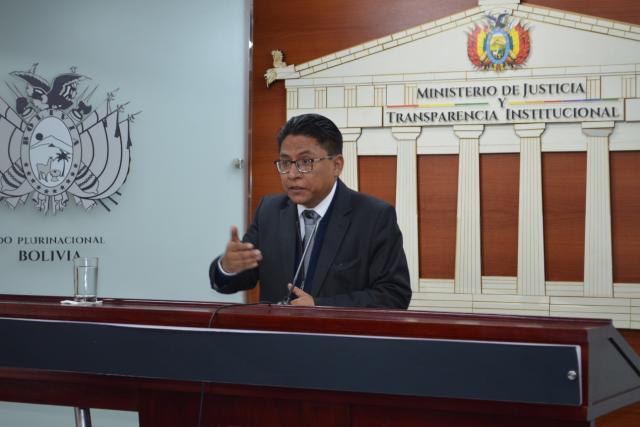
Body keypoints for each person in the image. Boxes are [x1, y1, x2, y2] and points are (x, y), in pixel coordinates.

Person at [209, 113, 411, 309]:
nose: (292, 174)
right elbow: (240, 278)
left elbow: (394, 295)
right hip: (276, 332)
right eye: (285, 162)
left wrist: (320, 307)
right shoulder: (269, 211)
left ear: (337, 165)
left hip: (336, 333)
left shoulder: (374, 217)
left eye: (305, 162)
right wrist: (227, 267)